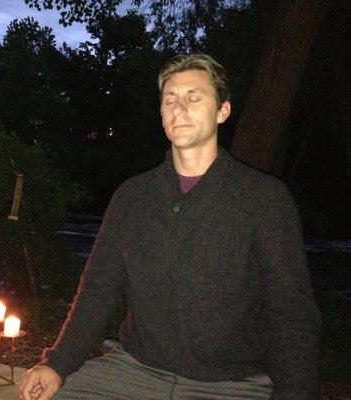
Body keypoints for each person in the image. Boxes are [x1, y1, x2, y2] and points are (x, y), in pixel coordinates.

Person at [19, 53, 321, 400]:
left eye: (194, 97)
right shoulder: (132, 197)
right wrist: (57, 364)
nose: (179, 108)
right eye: (170, 100)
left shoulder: (264, 198)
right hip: (136, 371)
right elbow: (97, 291)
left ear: (223, 110)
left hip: (232, 384)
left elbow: (292, 314)